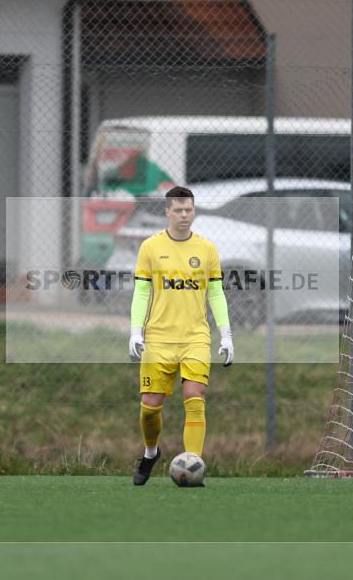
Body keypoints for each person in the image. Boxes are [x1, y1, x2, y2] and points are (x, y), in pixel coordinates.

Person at [128, 185, 234, 486]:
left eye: (189, 209)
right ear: (167, 212)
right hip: (159, 338)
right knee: (149, 407)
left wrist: (226, 335)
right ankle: (151, 453)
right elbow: (141, 292)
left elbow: (216, 293)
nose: (184, 215)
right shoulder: (150, 247)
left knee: (195, 396)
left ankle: (193, 466)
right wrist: (135, 330)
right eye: (178, 210)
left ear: (194, 211)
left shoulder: (207, 249)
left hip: (195, 338)